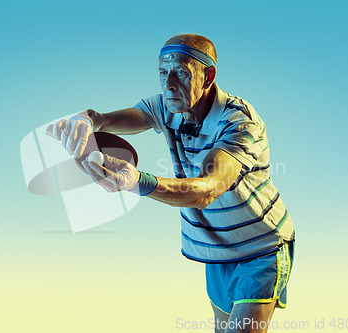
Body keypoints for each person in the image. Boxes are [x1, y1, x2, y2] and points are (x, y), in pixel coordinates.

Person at [47, 33, 295, 333]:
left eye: (180, 72)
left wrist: (138, 181)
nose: (169, 84)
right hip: (216, 249)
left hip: (260, 246)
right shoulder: (167, 106)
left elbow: (208, 188)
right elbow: (120, 118)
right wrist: (89, 119)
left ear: (208, 76)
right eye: (163, 73)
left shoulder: (239, 122)